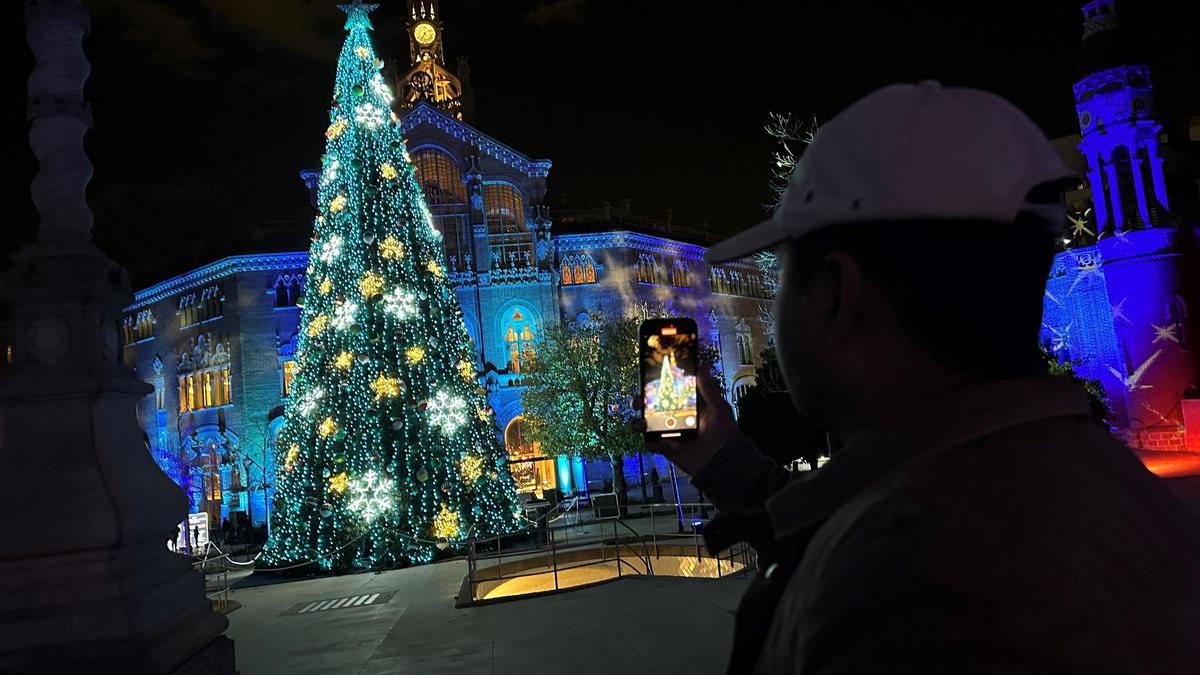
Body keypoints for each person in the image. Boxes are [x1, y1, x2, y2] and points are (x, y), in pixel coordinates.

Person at [636, 82, 1200, 673]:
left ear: (837, 290)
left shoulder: (892, 597)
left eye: (783, 277)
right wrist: (728, 464)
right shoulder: (1102, 485)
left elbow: (897, 543)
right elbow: (886, 502)